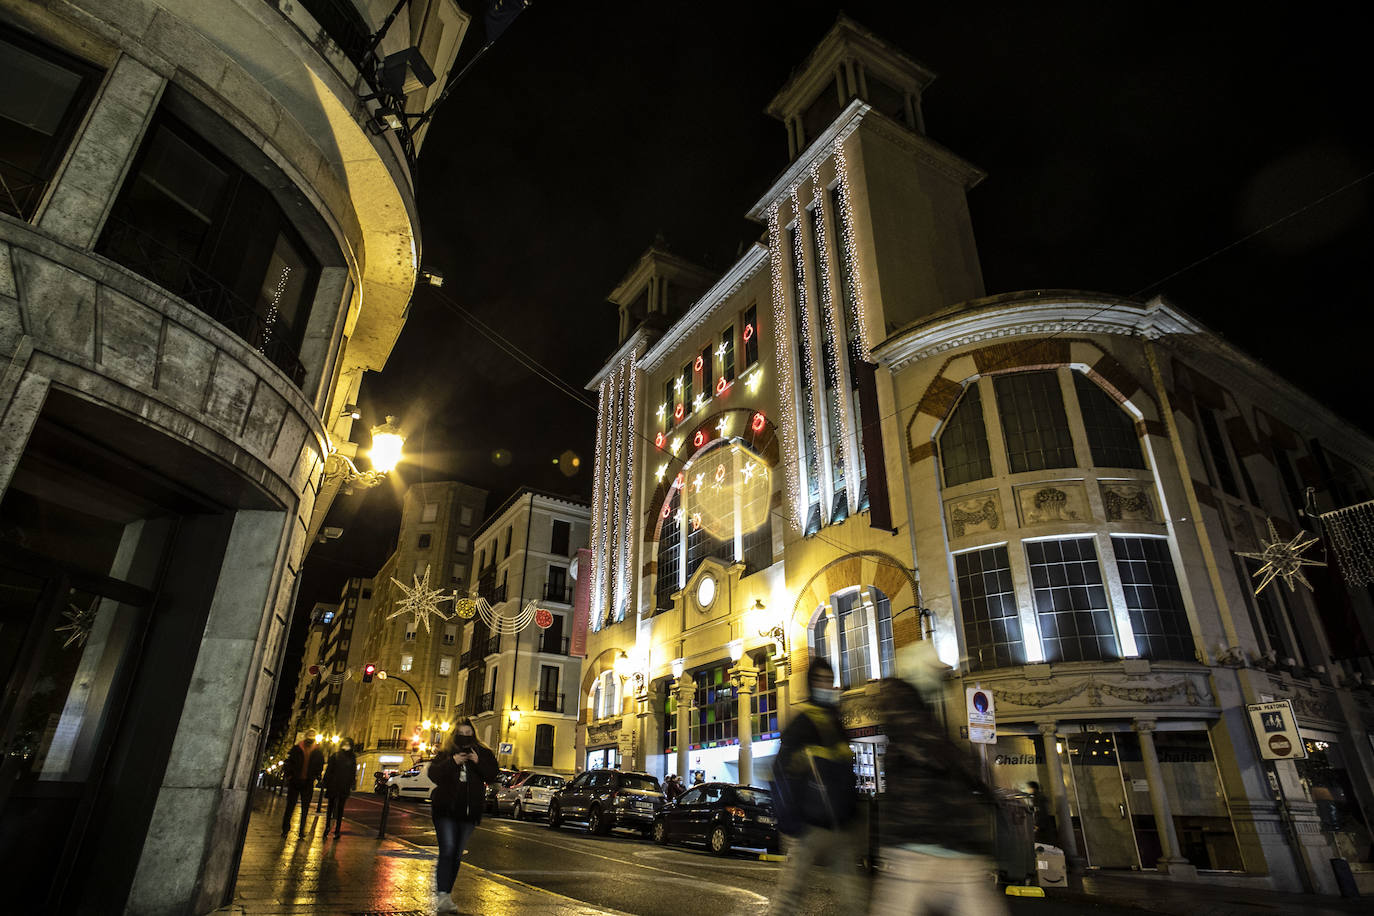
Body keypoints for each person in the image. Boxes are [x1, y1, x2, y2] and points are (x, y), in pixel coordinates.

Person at [868, 641, 1006, 916]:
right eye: (934, 672)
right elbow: (942, 755)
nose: (941, 680)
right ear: (919, 672)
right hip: (918, 848)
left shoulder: (920, 714)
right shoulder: (906, 712)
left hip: (950, 848)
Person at [768, 657, 864, 915]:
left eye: (829, 680)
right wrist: (792, 823)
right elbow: (781, 775)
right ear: (811, 684)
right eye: (820, 680)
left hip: (839, 829)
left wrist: (852, 815)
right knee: (789, 898)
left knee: (854, 899)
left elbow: (847, 775)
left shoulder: (836, 722)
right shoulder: (802, 724)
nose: (826, 685)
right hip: (809, 829)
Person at [427, 718, 498, 915]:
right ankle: (442, 895)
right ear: (455, 735)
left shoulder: (482, 753)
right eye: (462, 733)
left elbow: (493, 774)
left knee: (457, 854)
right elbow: (433, 774)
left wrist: (477, 761)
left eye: (469, 733)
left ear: (473, 735)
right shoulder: (446, 752)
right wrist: (453, 762)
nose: (465, 737)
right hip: (445, 810)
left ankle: (447, 895)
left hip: (469, 812)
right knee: (448, 849)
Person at [281, 735, 326, 838]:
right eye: (309, 735)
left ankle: (301, 831)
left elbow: (320, 765)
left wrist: (316, 776)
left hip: (308, 782)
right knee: (290, 807)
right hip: (295, 781)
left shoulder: (317, 752)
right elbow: (288, 762)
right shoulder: (297, 748)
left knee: (305, 809)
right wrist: (289, 775)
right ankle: (285, 829)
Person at [322, 738, 358, 838]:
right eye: (345, 744)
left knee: (340, 809)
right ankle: (327, 827)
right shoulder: (335, 755)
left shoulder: (352, 758)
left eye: (348, 744)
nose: (346, 746)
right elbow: (329, 770)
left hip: (344, 786)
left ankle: (337, 830)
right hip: (334, 785)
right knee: (330, 807)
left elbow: (353, 772)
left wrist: (352, 783)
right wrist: (326, 781)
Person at [1027, 781, 1055, 845]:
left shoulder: (1038, 798)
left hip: (1042, 826)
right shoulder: (1037, 797)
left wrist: (1037, 825)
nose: (1028, 790)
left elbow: (1041, 812)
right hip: (1043, 825)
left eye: (1029, 788)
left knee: (1044, 844)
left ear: (1033, 788)